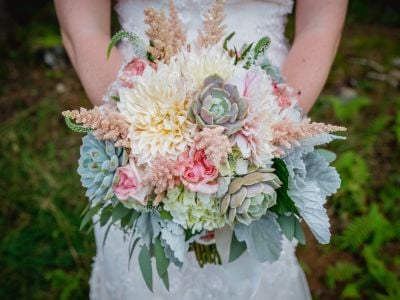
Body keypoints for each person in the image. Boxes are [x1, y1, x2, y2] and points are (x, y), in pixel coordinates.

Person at [55, 0, 348, 299]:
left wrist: (267, 134)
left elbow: (320, 27)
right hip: (139, 127)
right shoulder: (136, 139)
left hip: (264, 129)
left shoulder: (266, 137)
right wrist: (137, 138)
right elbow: (83, 28)